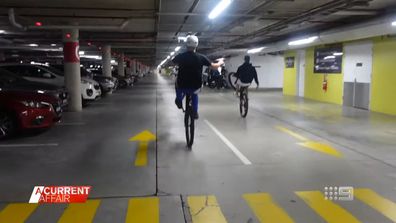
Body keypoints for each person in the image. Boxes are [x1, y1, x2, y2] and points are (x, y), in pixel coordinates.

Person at [172, 35, 224, 119]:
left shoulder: (181, 56)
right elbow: (214, 66)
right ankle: (195, 112)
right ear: (196, 45)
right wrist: (220, 62)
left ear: (186, 44)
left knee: (177, 83)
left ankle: (178, 99)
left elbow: (173, 61)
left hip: (182, 85)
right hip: (195, 86)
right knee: (194, 95)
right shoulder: (201, 57)